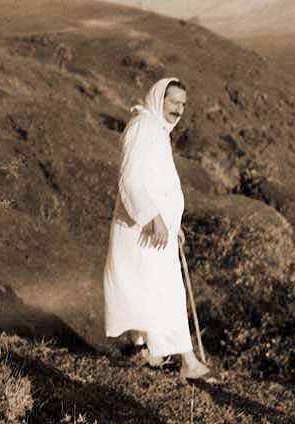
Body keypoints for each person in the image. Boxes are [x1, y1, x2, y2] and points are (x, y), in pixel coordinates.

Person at [103, 77, 209, 379]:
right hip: (143, 228)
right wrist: (154, 217)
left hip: (154, 229)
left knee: (148, 289)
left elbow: (158, 183)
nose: (179, 109)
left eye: (183, 104)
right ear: (158, 98)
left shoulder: (157, 130)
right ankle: (188, 361)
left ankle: (147, 351)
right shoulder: (142, 127)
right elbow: (130, 179)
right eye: (173, 102)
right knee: (167, 292)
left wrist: (172, 223)